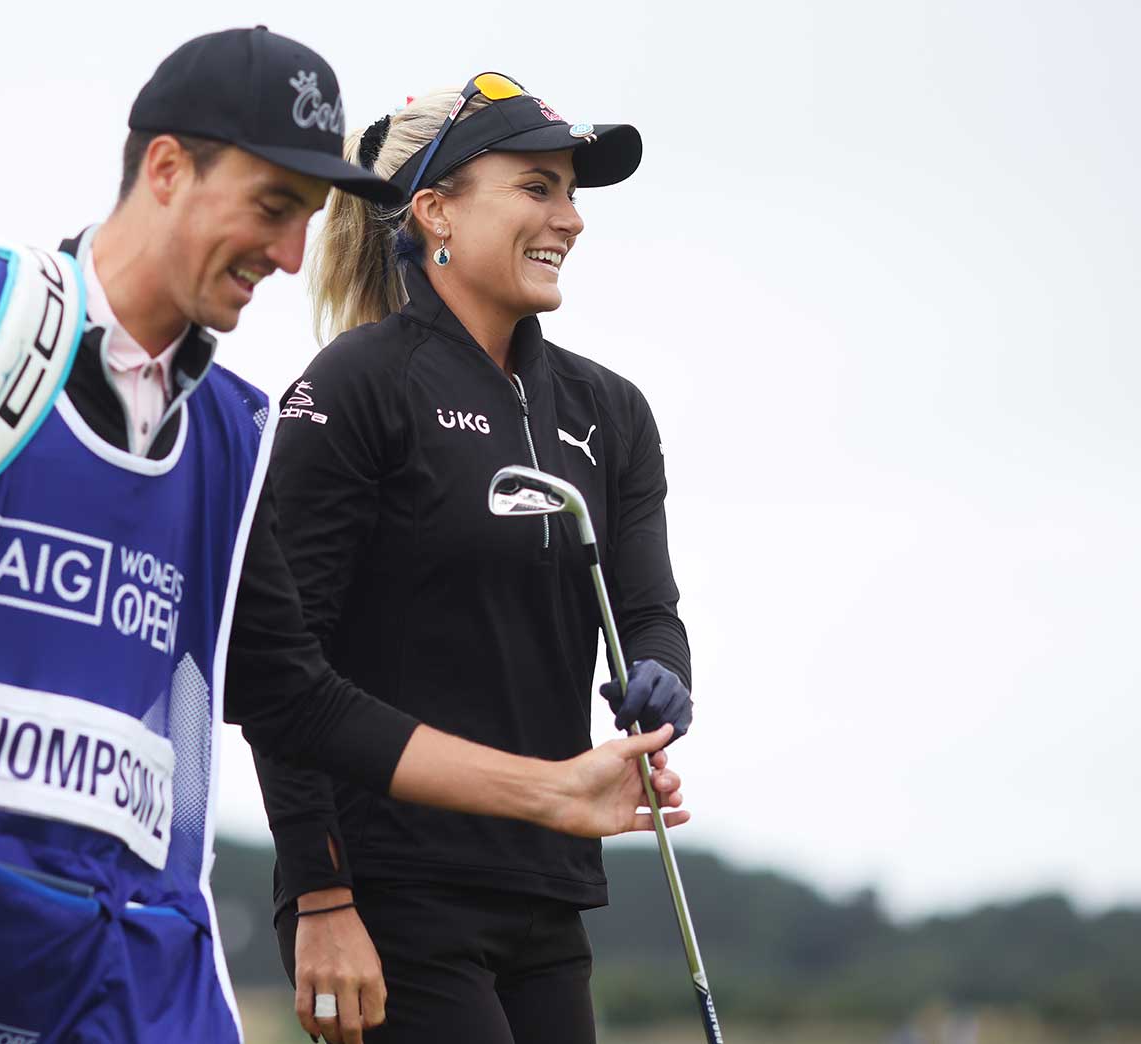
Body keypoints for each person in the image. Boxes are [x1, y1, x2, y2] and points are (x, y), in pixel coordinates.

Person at [0, 36, 688, 1044]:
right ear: (166, 169)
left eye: (305, 215)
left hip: (114, 959)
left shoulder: (227, 432)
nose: (293, 252)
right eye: (270, 205)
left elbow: (292, 694)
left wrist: (554, 792)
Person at [252, 73, 695, 1044]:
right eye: (537, 187)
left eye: (570, 193)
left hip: (545, 881)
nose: (568, 218)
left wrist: (660, 683)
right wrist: (320, 894)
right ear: (434, 210)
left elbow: (646, 612)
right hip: (384, 887)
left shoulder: (609, 413)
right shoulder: (354, 386)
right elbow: (279, 668)